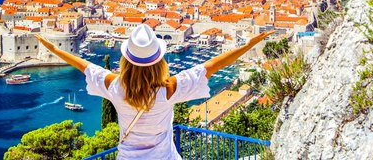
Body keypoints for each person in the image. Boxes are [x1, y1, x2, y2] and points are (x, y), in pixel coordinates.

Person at [36, 24, 274, 159]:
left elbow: (83, 65)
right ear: (159, 61)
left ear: (126, 60)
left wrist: (52, 48)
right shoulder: (169, 89)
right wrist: (249, 45)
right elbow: (213, 65)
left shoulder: (116, 87)